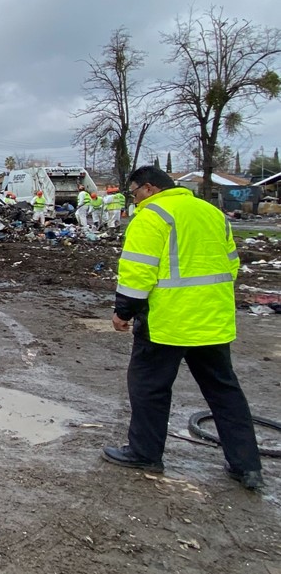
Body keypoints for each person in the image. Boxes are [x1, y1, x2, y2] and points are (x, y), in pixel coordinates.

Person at [104, 165, 262, 491]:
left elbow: (138, 273)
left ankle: (145, 453)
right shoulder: (212, 213)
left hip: (168, 321)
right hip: (213, 319)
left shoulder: (152, 217)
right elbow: (231, 264)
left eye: (135, 193)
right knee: (224, 391)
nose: (135, 200)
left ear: (149, 188)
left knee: (149, 387)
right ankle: (246, 465)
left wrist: (123, 311)